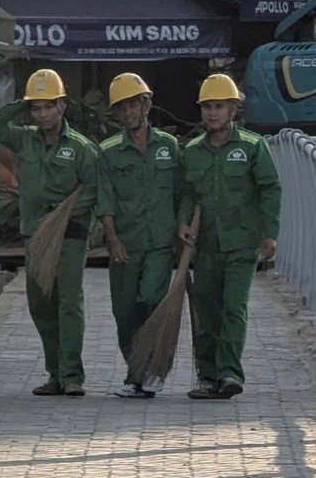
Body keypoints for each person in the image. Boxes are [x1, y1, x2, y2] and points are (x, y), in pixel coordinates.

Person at [0, 69, 102, 397]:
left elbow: (94, 189)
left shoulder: (81, 148)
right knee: (41, 305)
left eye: (49, 106)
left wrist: (66, 216)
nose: (43, 114)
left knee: (69, 303)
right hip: (35, 236)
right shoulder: (24, 139)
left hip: (70, 235)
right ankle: (55, 374)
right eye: (37, 108)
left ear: (62, 106)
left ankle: (72, 375)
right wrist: (21, 103)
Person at [176, 75, 280, 400]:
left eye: (219, 106)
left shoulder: (252, 146)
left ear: (233, 109)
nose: (212, 113)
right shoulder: (192, 151)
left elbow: (270, 189)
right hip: (205, 247)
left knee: (234, 308)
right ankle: (208, 377)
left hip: (241, 244)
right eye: (207, 107)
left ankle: (230, 374)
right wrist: (182, 223)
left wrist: (270, 234)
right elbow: (187, 194)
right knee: (207, 312)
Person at [94, 73, 182, 399]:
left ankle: (150, 367)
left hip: (160, 244)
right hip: (125, 245)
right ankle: (136, 375)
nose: (129, 112)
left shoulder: (169, 147)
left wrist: (182, 229)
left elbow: (180, 192)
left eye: (134, 104)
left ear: (146, 104)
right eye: (122, 108)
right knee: (125, 311)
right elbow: (105, 198)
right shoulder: (108, 152)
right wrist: (112, 238)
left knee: (149, 300)